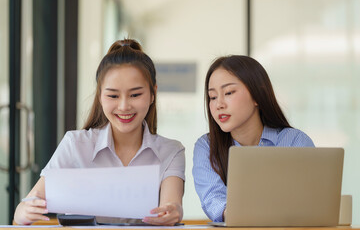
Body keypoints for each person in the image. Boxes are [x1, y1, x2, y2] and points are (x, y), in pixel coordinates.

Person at [14, 39, 185, 226]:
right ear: (100, 96)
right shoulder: (75, 145)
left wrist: (172, 212)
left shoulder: (171, 151)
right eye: (113, 95)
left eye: (135, 95)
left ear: (153, 94)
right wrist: (23, 211)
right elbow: (27, 206)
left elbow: (171, 204)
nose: (124, 106)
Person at [192, 55, 314, 222]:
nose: (219, 104)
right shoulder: (206, 147)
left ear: (257, 95)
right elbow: (214, 200)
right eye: (212, 97)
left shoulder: (295, 141)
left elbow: (310, 202)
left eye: (228, 92)